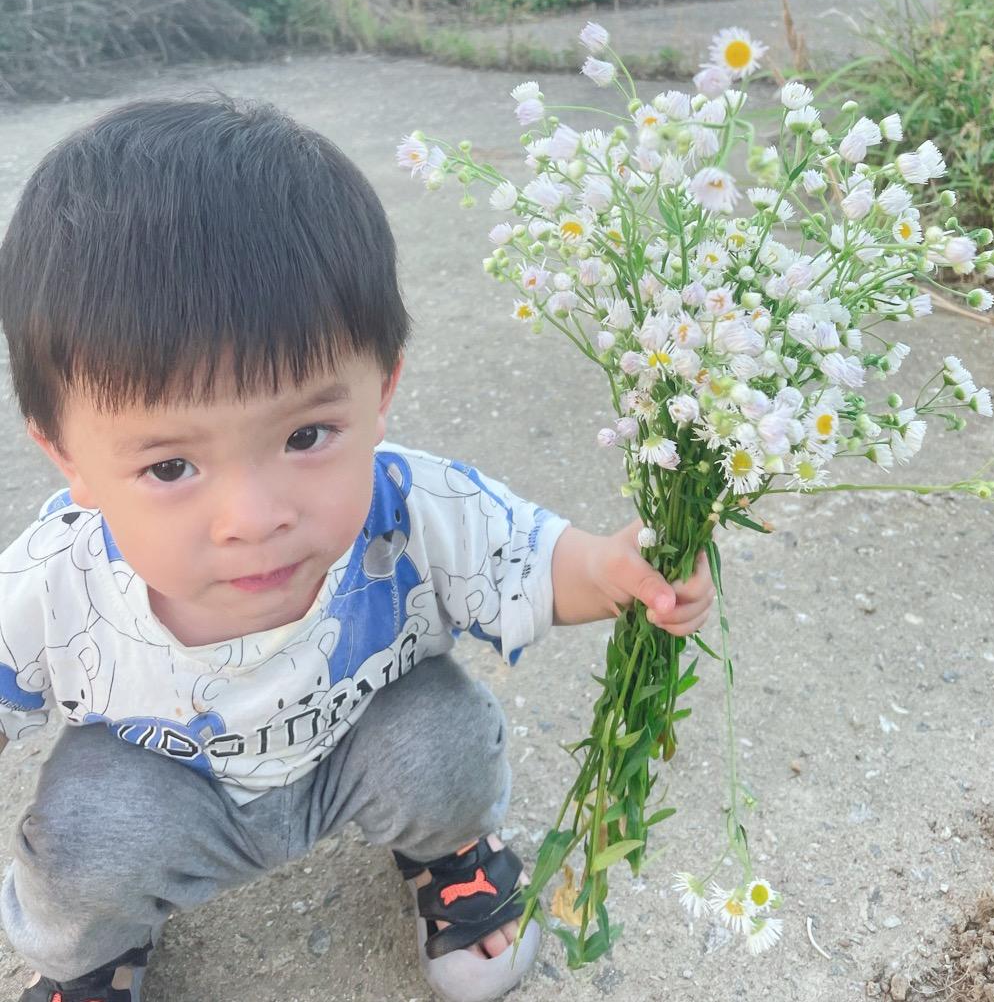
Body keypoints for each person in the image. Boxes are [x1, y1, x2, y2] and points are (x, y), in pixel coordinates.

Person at [0, 97, 715, 1002]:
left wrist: (613, 574)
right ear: (68, 457)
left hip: (358, 748)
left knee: (444, 736)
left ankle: (451, 854)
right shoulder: (53, 580)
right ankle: (92, 957)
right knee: (85, 836)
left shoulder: (413, 502)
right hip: (171, 790)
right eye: (172, 465)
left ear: (381, 393)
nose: (253, 517)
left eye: (305, 436)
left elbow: (530, 559)